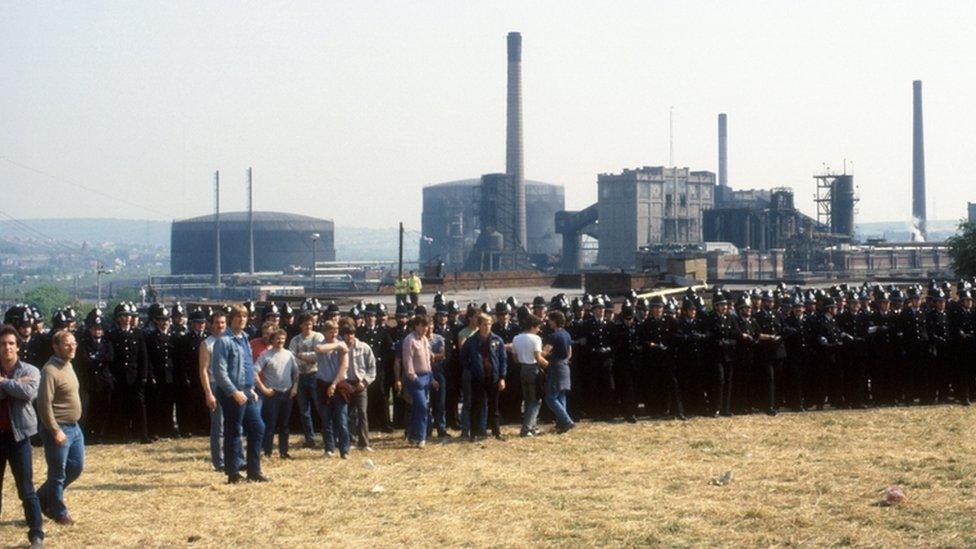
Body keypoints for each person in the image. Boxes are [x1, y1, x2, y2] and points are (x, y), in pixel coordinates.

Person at [0, 324, 45, 547]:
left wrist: (4, 383)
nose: (7, 347)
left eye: (11, 343)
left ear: (18, 346)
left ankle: (36, 533)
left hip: (19, 438)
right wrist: (13, 386)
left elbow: (28, 392)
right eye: (2, 344)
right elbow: (18, 391)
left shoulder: (30, 370)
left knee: (26, 489)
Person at [211, 304, 267, 483]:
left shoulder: (244, 338)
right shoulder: (223, 341)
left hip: (246, 391)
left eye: (244, 316)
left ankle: (253, 470)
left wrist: (250, 389)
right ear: (231, 319)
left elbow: (247, 366)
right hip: (231, 393)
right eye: (238, 316)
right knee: (234, 431)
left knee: (258, 427)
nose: (242, 319)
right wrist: (234, 392)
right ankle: (233, 473)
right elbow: (220, 373)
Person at [36, 329, 84, 525]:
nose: (72, 347)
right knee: (57, 473)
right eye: (67, 344)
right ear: (56, 347)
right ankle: (58, 511)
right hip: (58, 428)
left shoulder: (68, 365)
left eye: (74, 343)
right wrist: (55, 430)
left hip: (75, 427)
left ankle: (40, 497)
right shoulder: (50, 371)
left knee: (76, 467)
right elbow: (43, 404)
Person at [460, 312, 507, 441]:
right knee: (476, 406)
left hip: (493, 377)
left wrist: (502, 377)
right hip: (478, 378)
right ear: (479, 325)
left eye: (489, 324)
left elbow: (503, 359)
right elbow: (463, 358)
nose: (487, 327)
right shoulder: (471, 341)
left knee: (494, 407)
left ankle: (496, 432)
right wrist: (472, 368)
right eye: (484, 324)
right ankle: (474, 433)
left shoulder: (497, 340)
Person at [255, 329, 298, 459]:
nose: (280, 341)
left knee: (284, 425)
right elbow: (254, 372)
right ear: (272, 340)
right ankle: (267, 452)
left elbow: (296, 373)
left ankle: (283, 452)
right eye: (278, 339)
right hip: (272, 395)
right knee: (270, 424)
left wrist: (295, 388)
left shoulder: (289, 355)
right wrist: (263, 389)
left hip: (287, 394)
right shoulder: (266, 355)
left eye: (283, 339)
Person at [313, 320, 350, 458]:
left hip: (339, 384)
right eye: (331, 331)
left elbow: (344, 366)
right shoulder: (322, 344)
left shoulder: (343, 345)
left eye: (336, 330)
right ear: (325, 332)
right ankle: (329, 448)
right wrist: (337, 345)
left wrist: (334, 384)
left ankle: (344, 450)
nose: (334, 333)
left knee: (342, 420)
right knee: (326, 419)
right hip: (323, 384)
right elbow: (320, 350)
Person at [287, 312, 324, 448]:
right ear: (300, 325)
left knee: (320, 407)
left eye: (310, 323)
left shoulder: (318, 337)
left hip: (315, 375)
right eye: (305, 324)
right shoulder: (295, 340)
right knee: (304, 410)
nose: (308, 326)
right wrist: (304, 359)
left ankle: (327, 435)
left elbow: (318, 355)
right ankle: (310, 438)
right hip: (300, 376)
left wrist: (302, 355)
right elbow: (291, 357)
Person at [398, 316, 434, 447]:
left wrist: (431, 377)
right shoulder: (409, 340)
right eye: (424, 326)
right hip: (415, 379)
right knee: (422, 407)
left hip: (426, 376)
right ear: (417, 325)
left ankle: (413, 434)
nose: (426, 329)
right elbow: (408, 363)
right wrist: (415, 379)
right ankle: (421, 437)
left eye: (427, 326)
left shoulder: (424, 339)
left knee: (417, 408)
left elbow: (428, 361)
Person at [341, 319, 376, 451]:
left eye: (351, 334)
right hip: (346, 383)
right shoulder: (340, 348)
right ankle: (350, 440)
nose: (348, 337)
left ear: (354, 334)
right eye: (346, 334)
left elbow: (372, 367)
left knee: (362, 412)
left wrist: (365, 382)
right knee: (347, 414)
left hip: (360, 383)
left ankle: (364, 443)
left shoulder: (364, 348)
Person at [512, 314, 548, 437]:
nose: (539, 330)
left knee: (528, 399)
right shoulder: (536, 339)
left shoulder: (516, 338)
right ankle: (526, 428)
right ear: (533, 327)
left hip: (522, 369)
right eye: (538, 327)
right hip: (533, 369)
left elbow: (515, 358)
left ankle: (531, 427)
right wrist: (548, 365)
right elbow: (538, 358)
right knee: (536, 400)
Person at [542, 311, 575, 433]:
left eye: (550, 320)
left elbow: (544, 352)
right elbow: (569, 353)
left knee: (550, 398)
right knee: (561, 396)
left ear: (555, 321)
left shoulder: (553, 336)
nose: (549, 322)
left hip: (556, 367)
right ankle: (562, 424)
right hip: (565, 366)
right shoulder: (567, 334)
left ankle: (566, 421)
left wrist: (534, 352)